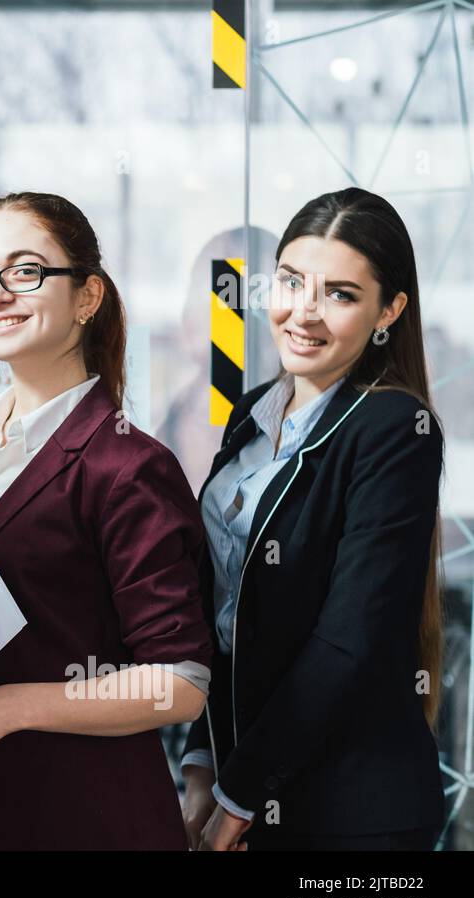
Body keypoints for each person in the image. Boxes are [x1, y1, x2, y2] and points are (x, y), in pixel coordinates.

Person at [0, 192, 213, 850]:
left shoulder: (126, 462)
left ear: (87, 296)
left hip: (88, 820)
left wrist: (6, 709)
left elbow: (179, 683)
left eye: (26, 270)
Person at [181, 187, 446, 851]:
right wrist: (201, 768)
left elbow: (348, 641)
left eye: (340, 294)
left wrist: (234, 800)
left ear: (389, 310)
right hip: (246, 790)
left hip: (350, 814)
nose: (304, 311)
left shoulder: (393, 430)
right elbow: (223, 617)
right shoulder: (250, 416)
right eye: (293, 281)